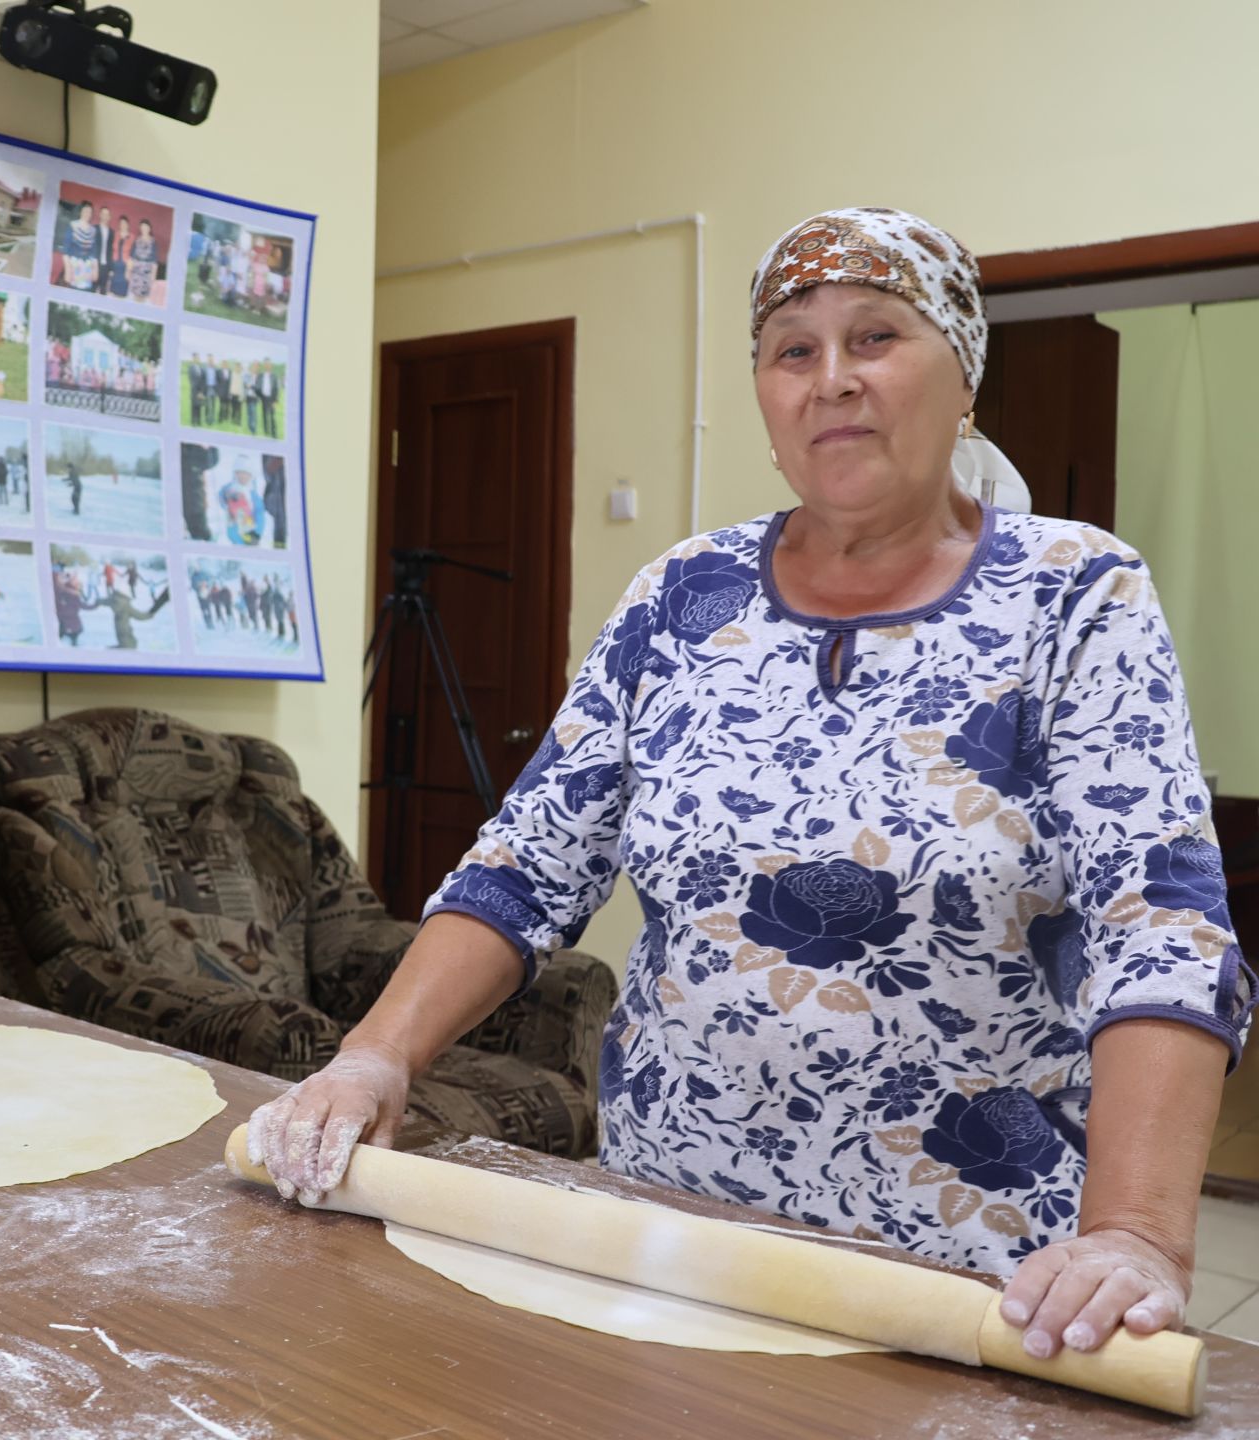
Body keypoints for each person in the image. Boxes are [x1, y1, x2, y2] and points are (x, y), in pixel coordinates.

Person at [250, 208, 1253, 1362]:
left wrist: (1133, 1234)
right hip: (674, 1225)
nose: (832, 380)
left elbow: (1160, 930)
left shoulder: (1075, 597)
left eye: (875, 336)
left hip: (965, 1272)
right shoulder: (686, 593)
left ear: (964, 375)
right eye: (793, 349)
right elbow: (532, 858)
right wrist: (376, 1054)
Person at [129, 218, 159, 304]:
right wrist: (128, 271)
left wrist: (153, 277)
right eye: (142, 227)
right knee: (134, 296)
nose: (144, 229)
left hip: (147, 274)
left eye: (146, 227)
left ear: (149, 229)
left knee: (143, 297)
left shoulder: (153, 243)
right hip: (136, 273)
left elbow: (155, 262)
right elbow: (131, 258)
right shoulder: (136, 241)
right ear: (140, 229)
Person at [52, 567, 84, 645]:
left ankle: (65, 637)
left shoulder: (62, 582)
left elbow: (67, 580)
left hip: (64, 609)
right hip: (61, 608)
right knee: (64, 624)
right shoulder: (57, 582)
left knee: (66, 625)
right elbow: (63, 588)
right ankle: (60, 637)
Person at [107, 216, 133, 300]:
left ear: (128, 225)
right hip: (115, 266)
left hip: (125, 267)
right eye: (121, 224)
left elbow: (133, 255)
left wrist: (129, 270)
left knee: (122, 293)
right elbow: (111, 251)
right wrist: (111, 268)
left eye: (124, 223)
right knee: (112, 292)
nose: (123, 225)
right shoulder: (116, 234)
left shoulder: (132, 237)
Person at [259, 364, 280, 440]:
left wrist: (276, 400)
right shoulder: (262, 376)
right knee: (264, 415)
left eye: (269, 365)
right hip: (264, 398)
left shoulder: (274, 376)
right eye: (266, 365)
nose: (267, 366)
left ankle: (274, 433)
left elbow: (277, 388)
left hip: (271, 398)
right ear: (265, 366)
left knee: (272, 416)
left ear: (271, 367)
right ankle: (266, 431)